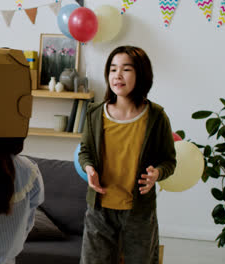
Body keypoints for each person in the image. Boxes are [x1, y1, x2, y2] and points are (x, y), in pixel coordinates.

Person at [78, 46, 176, 264]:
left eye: (126, 69)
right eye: (113, 69)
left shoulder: (156, 117)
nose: (117, 75)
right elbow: (85, 152)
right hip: (99, 210)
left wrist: (157, 174)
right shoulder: (95, 113)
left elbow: (169, 161)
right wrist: (89, 168)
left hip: (139, 211)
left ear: (141, 74)